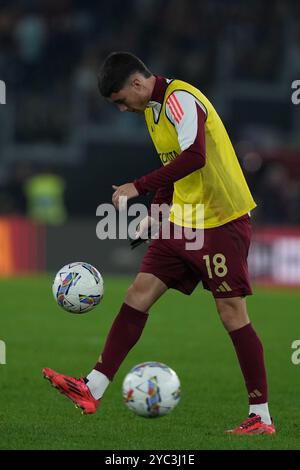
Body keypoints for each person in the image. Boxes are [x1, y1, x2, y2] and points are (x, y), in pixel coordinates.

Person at [43, 52, 275, 435]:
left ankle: (261, 417)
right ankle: (92, 387)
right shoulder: (152, 111)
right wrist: (157, 211)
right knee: (139, 292)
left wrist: (139, 186)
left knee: (232, 313)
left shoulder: (181, 100)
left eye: (120, 101)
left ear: (137, 83)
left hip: (221, 220)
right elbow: (173, 166)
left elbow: (196, 157)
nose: (121, 110)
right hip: (184, 221)